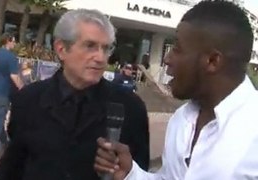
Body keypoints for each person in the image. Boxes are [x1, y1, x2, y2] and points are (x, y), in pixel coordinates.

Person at [94, 1, 258, 179]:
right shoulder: (181, 121)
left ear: (212, 61)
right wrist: (130, 174)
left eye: (177, 50)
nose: (167, 59)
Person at [0, 9, 149, 180]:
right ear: (61, 49)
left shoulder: (130, 107)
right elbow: (11, 168)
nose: (100, 57)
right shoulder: (28, 100)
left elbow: (141, 173)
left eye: (106, 48)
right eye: (90, 46)